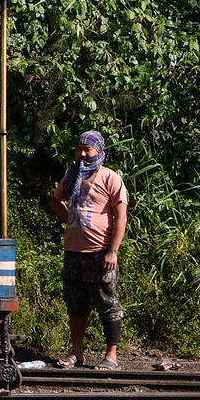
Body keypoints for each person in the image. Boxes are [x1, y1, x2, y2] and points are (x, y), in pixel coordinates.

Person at [48, 130, 128, 370]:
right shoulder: (71, 177)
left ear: (99, 152)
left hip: (99, 252)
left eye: (88, 150)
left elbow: (121, 217)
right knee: (75, 303)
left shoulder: (110, 178)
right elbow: (55, 200)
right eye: (78, 149)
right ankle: (77, 353)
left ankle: (111, 355)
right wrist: (71, 218)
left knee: (107, 302)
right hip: (73, 252)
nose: (82, 154)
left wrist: (112, 251)